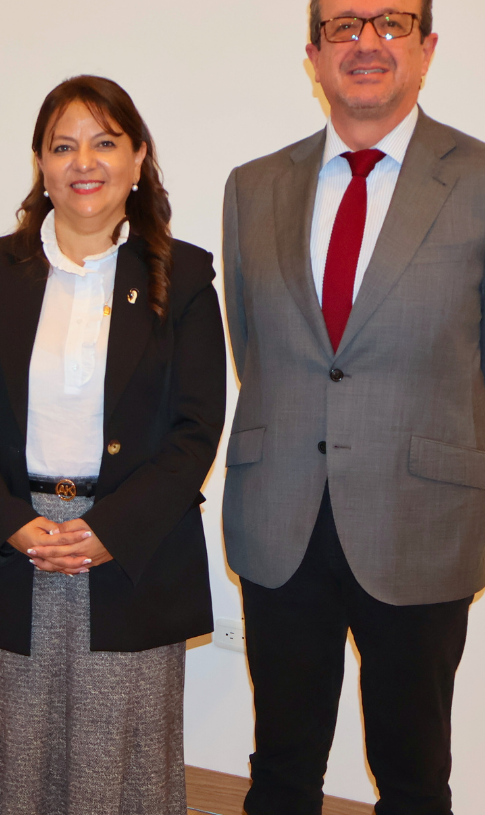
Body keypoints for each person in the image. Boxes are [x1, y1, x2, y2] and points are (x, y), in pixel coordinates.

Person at [0, 75, 226, 815]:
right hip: (14, 547)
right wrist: (13, 523)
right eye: (63, 146)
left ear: (138, 158)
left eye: (104, 142)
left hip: (133, 551)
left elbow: (196, 430)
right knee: (10, 766)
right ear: (40, 163)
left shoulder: (185, 273)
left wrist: (109, 531)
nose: (83, 162)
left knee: (117, 769)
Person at [222, 2, 485, 813]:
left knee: (413, 777)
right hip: (281, 517)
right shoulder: (253, 186)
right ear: (314, 54)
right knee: (281, 770)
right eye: (343, 25)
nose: (366, 42)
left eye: (391, 22)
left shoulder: (479, 179)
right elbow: (252, 345)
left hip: (422, 519)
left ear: (427, 47)